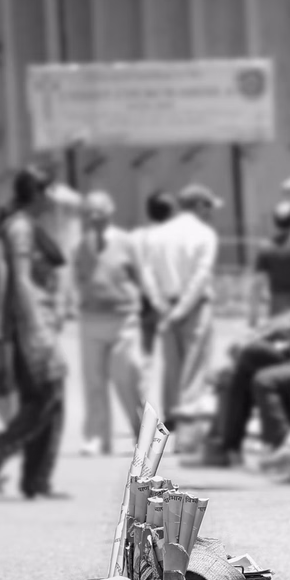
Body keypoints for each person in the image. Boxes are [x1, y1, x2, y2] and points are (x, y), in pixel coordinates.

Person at [0, 165, 69, 500]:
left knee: (47, 399)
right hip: (29, 328)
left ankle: (35, 480)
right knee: (46, 398)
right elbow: (21, 280)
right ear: (36, 194)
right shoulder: (21, 228)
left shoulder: (25, 226)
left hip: (36, 324)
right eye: (49, 191)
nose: (53, 198)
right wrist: (38, 329)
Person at [201, 259, 290, 467]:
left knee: (253, 368)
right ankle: (233, 443)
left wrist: (282, 347)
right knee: (243, 365)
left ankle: (237, 444)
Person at [73, 190, 151, 456]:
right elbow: (76, 278)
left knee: (126, 375)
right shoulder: (80, 246)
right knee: (93, 381)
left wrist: (153, 306)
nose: (94, 219)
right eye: (89, 215)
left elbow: (141, 276)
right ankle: (96, 437)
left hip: (123, 318)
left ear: (109, 212)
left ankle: (143, 433)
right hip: (91, 318)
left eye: (99, 214)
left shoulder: (126, 241)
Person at [146, 183, 220, 424]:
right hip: (195, 307)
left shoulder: (156, 234)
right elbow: (200, 277)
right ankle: (189, 427)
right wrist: (181, 310)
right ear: (199, 206)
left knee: (172, 367)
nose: (211, 212)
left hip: (166, 305)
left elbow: (148, 275)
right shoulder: (205, 234)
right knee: (195, 367)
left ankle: (172, 417)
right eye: (209, 206)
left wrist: (162, 306)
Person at [131, 191, 176, 355]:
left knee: (145, 351)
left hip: (143, 299)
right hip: (169, 297)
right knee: (172, 351)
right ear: (171, 212)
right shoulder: (174, 236)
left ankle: (145, 378)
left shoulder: (136, 236)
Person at [254, 201, 290, 319]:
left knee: (277, 337)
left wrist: (253, 316)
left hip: (277, 307)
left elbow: (257, 283)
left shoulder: (266, 247)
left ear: (275, 222)